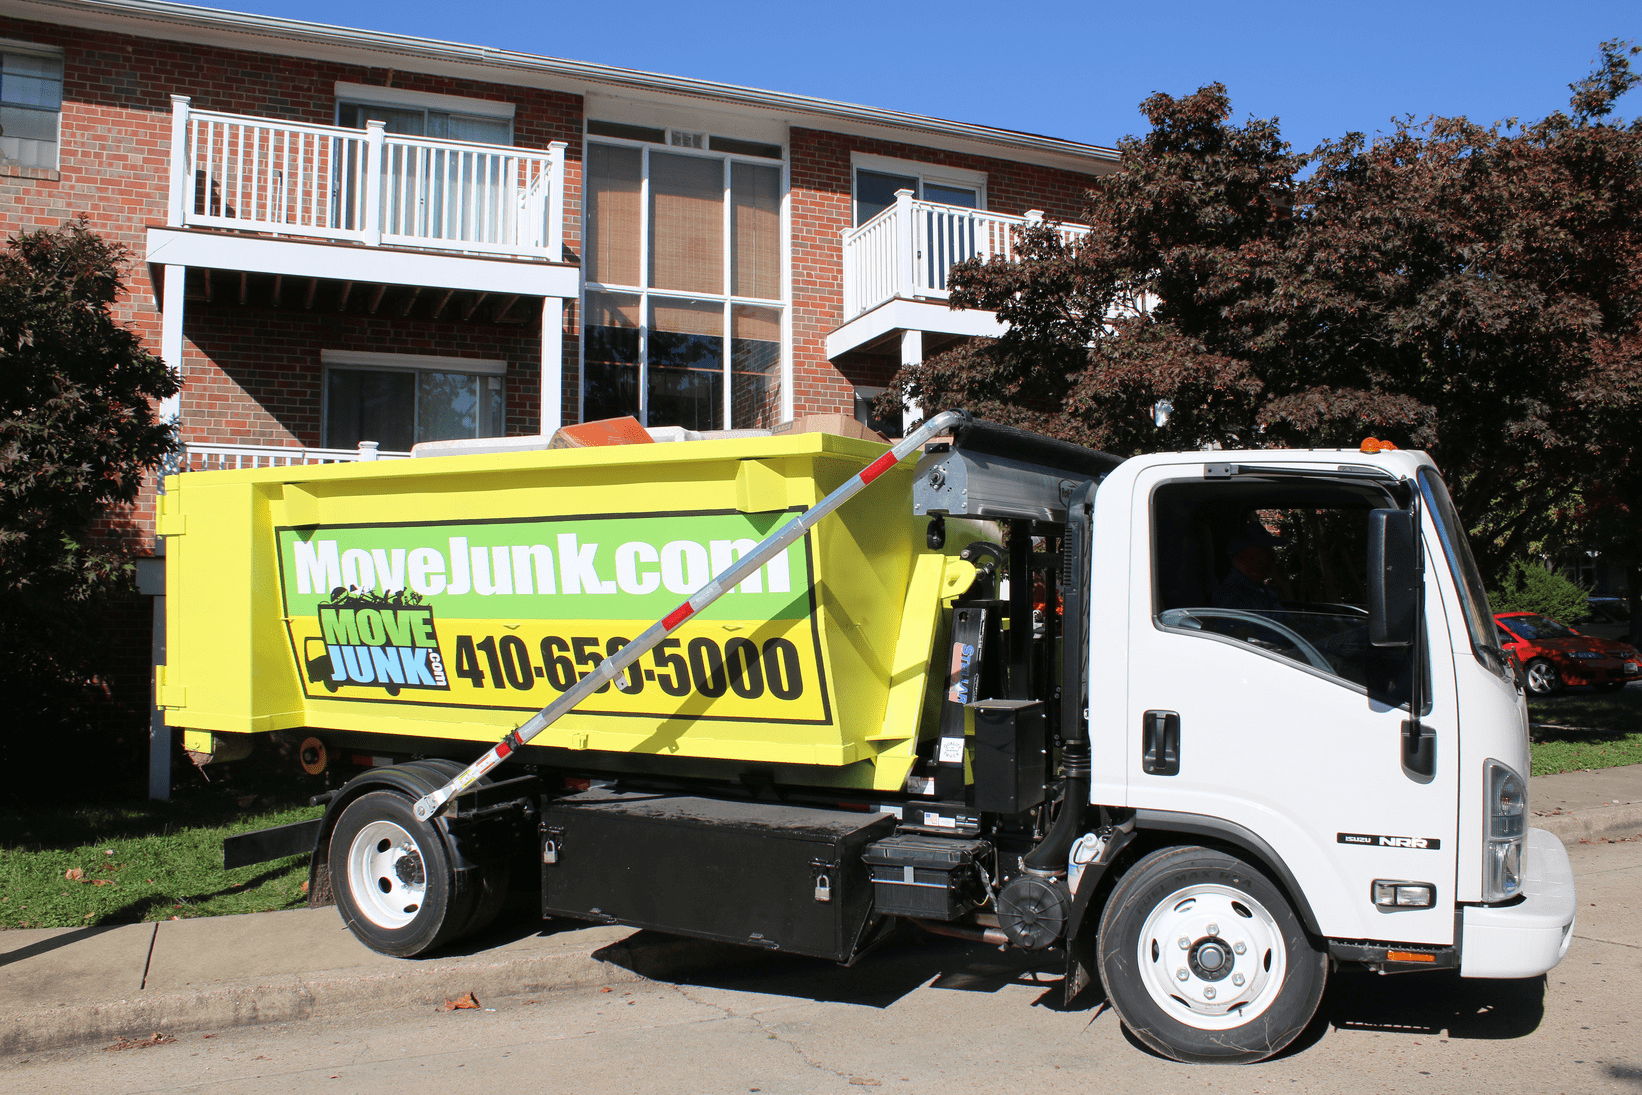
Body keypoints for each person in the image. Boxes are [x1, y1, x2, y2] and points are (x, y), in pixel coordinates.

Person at [1212, 523, 1286, 611]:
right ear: (1243, 556)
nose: (1273, 555)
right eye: (1265, 550)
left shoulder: (1262, 590)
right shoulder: (1232, 596)